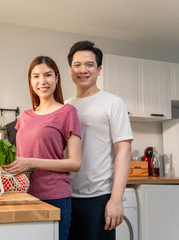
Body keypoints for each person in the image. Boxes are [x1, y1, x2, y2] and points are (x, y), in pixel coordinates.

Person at [4, 56, 82, 240]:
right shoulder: (24, 116)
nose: (42, 81)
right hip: (23, 195)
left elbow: (75, 163)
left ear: (56, 77)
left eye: (47, 75)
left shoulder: (68, 113)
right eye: (35, 76)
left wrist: (31, 162)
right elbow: (20, 157)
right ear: (30, 81)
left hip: (54, 197)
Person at [65, 41, 133, 240]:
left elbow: (124, 151)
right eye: (77, 65)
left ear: (99, 69)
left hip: (98, 199)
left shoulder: (113, 103)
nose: (83, 70)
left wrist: (116, 199)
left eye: (89, 65)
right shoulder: (65, 106)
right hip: (66, 196)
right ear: (70, 69)